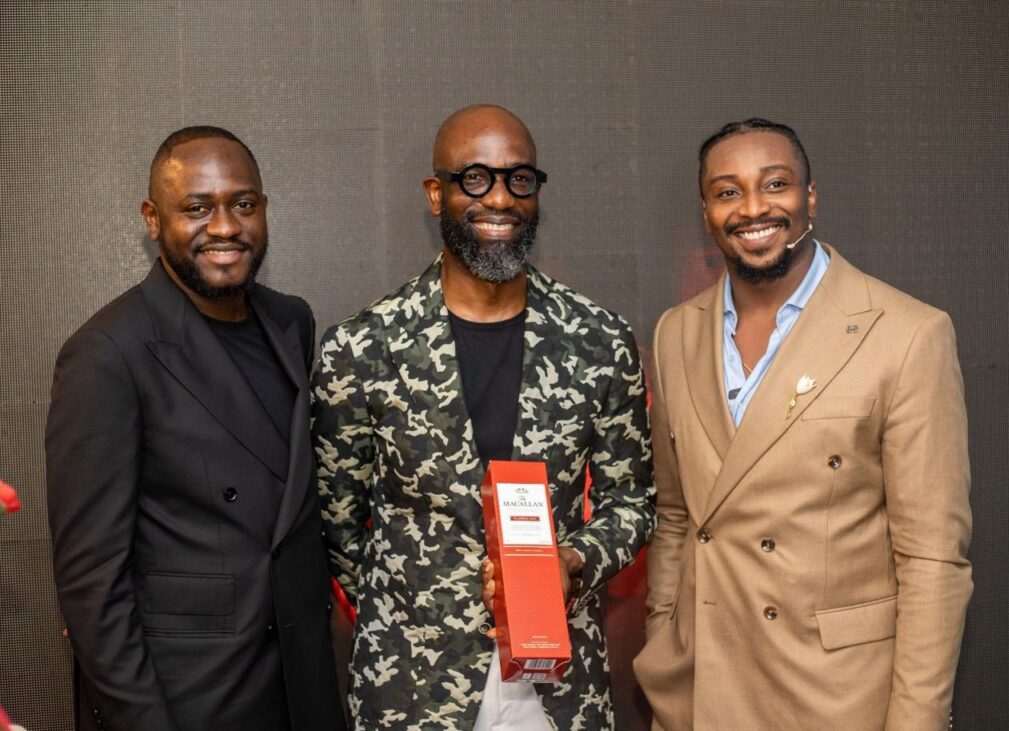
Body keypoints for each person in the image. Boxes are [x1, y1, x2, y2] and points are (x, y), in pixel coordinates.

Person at [311, 105, 656, 730]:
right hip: (413, 688)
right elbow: (338, 522)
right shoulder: (363, 348)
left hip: (559, 684)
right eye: (475, 178)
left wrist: (571, 563)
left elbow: (631, 501)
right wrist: (412, 609)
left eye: (519, 179)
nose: (499, 198)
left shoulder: (599, 339)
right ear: (435, 193)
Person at [633, 118, 972, 730]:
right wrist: (667, 630)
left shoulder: (906, 334)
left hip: (832, 698)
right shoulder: (675, 331)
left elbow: (932, 561)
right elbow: (676, 515)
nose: (754, 208)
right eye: (728, 191)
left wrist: (917, 721)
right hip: (700, 691)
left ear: (809, 197)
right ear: (707, 213)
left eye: (776, 184)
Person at [46, 126, 346, 731]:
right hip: (189, 698)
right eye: (197, 208)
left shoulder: (291, 322)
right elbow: (91, 582)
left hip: (298, 683)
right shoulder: (107, 353)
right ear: (153, 220)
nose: (226, 226)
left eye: (243, 204)